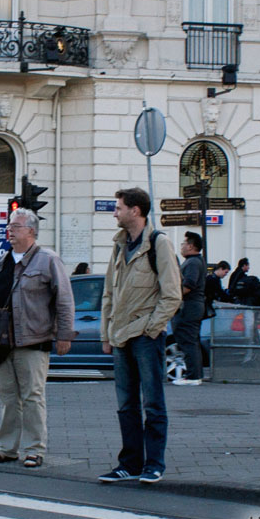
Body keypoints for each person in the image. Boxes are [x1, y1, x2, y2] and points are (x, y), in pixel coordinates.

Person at [98, 187, 181, 485]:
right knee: (126, 405)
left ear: (136, 210)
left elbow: (172, 295)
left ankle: (154, 464)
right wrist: (105, 334)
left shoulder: (159, 243)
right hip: (120, 337)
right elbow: (109, 292)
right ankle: (130, 463)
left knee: (153, 403)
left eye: (118, 207)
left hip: (146, 336)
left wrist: (151, 328)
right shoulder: (119, 245)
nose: (114, 212)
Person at [0, 208, 75, 469]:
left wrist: (64, 334)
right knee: (8, 396)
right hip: (2, 342)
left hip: (33, 340)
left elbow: (64, 300)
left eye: (16, 226)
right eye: (10, 226)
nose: (9, 230)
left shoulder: (48, 259)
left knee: (33, 396)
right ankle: (6, 448)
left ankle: (34, 449)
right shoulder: (2, 260)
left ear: (31, 231)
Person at [171, 232, 206, 386]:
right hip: (194, 307)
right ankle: (196, 375)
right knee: (192, 341)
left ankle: (192, 377)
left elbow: (188, 285)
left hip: (188, 307)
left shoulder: (192, 263)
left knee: (187, 341)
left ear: (191, 246)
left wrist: (174, 296)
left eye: (184, 244)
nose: (182, 246)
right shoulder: (196, 261)